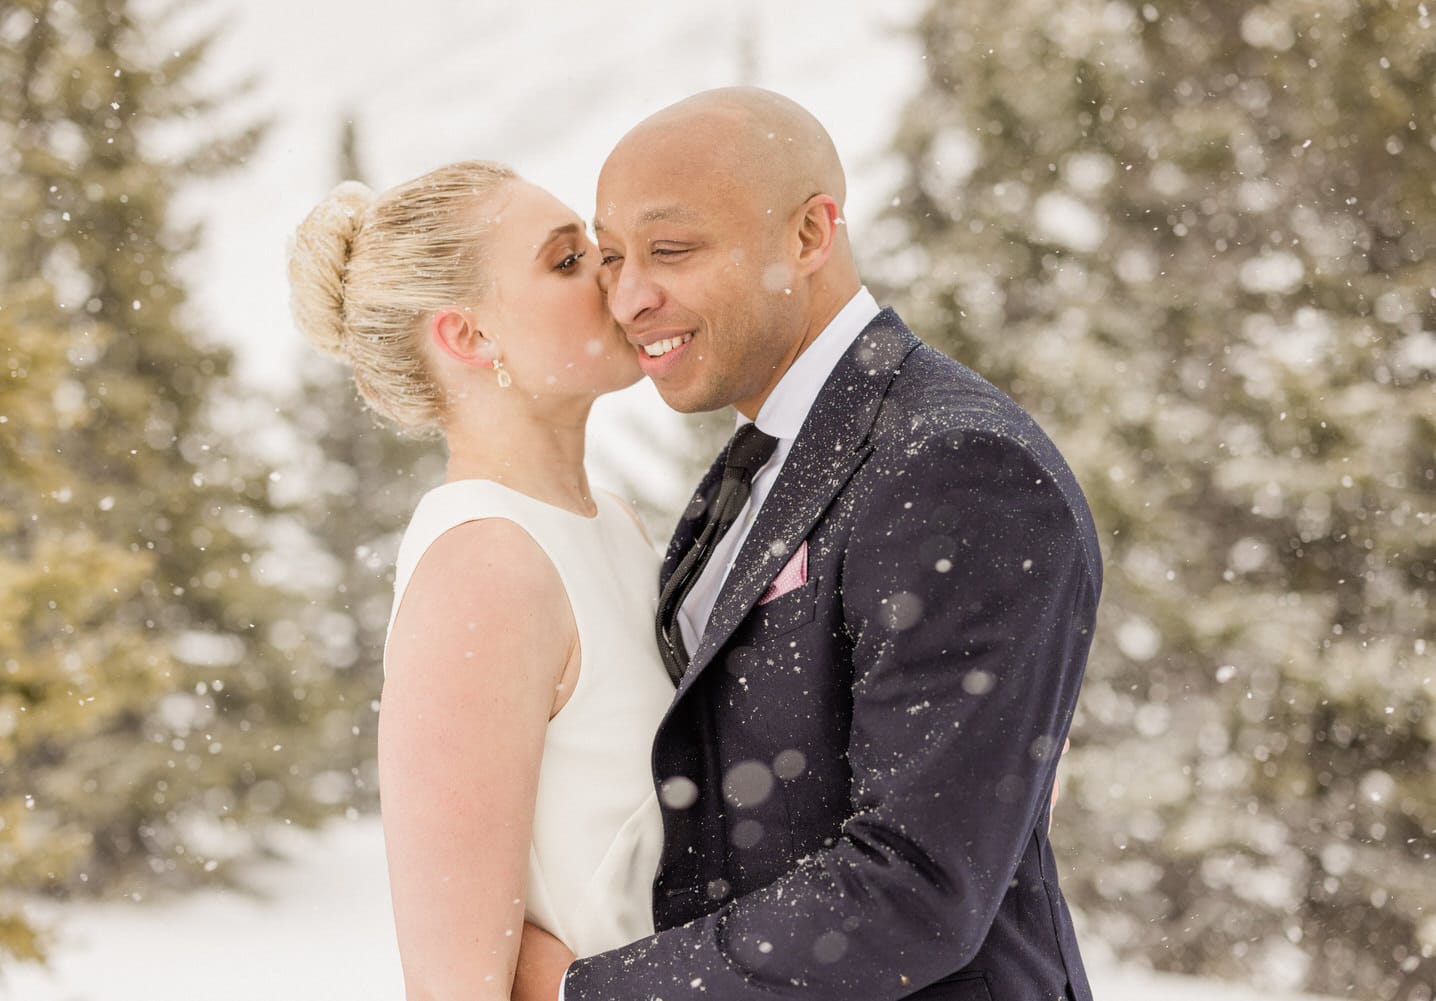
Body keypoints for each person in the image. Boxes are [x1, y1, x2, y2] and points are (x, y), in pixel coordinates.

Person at [516, 87, 1103, 1001]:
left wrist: (582, 992)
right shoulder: (760, 459)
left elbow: (915, 887)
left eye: (672, 249)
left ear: (809, 235)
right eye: (614, 255)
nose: (630, 296)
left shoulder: (956, 464)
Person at [287, 162, 677, 1001]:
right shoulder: (486, 567)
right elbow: (456, 985)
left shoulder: (614, 523)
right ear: (468, 336)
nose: (613, 272)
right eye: (566, 261)